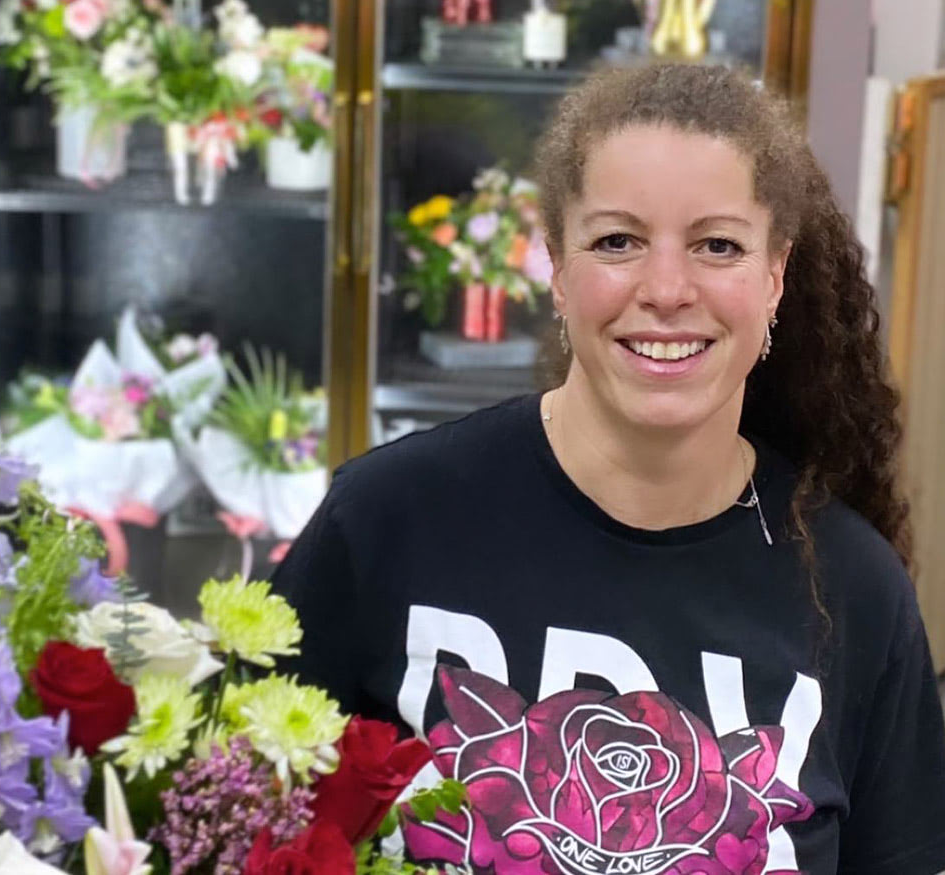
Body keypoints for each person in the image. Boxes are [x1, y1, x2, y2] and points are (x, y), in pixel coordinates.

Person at [273, 64, 945, 874]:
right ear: (556, 264)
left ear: (774, 276)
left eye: (718, 245)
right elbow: (230, 809)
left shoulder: (855, 590)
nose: (665, 289)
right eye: (617, 241)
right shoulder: (386, 520)